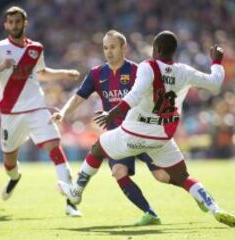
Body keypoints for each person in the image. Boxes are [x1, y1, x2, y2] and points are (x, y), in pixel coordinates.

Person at [58, 30, 235, 227]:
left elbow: (136, 94)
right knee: (183, 177)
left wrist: (112, 113)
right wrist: (216, 62)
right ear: (174, 51)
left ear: (155, 49)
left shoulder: (147, 66)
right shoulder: (184, 71)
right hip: (162, 136)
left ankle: (76, 193)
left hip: (133, 131)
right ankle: (215, 207)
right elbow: (215, 84)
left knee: (98, 148)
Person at [53, 30, 171, 225]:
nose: (108, 52)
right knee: (118, 171)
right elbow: (79, 96)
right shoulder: (97, 74)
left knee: (163, 176)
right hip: (117, 135)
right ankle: (150, 214)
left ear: (124, 48)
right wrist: (64, 112)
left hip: (142, 131)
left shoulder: (137, 71)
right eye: (105, 48)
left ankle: (195, 191)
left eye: (113, 47)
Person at [0, 6, 81, 217]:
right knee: (9, 163)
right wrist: (0, 67)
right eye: (10, 22)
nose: (14, 25)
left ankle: (71, 202)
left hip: (36, 108)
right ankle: (14, 177)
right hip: (10, 115)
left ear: (25, 23)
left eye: (17, 22)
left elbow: (41, 73)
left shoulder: (36, 48)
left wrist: (64, 73)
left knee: (55, 147)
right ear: (5, 25)